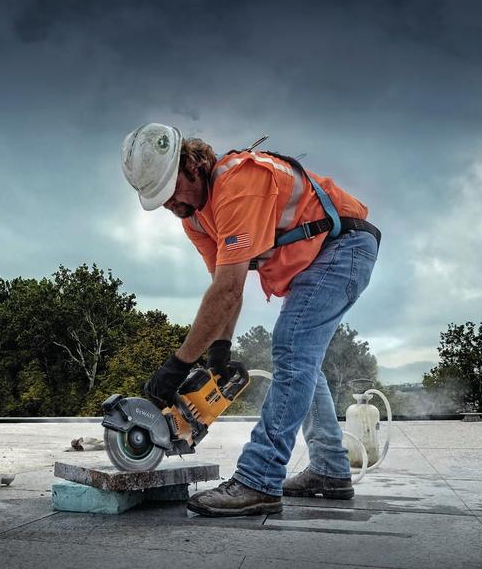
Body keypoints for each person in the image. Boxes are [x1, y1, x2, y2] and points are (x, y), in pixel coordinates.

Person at [120, 123, 380, 517]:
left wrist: (179, 364)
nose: (170, 204)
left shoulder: (239, 183)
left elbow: (226, 293)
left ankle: (258, 479)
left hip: (344, 246)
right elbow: (226, 287)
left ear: (192, 165)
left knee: (293, 348)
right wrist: (219, 352)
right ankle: (329, 469)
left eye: (171, 190)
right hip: (318, 257)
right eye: (160, 199)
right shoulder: (194, 218)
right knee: (303, 360)